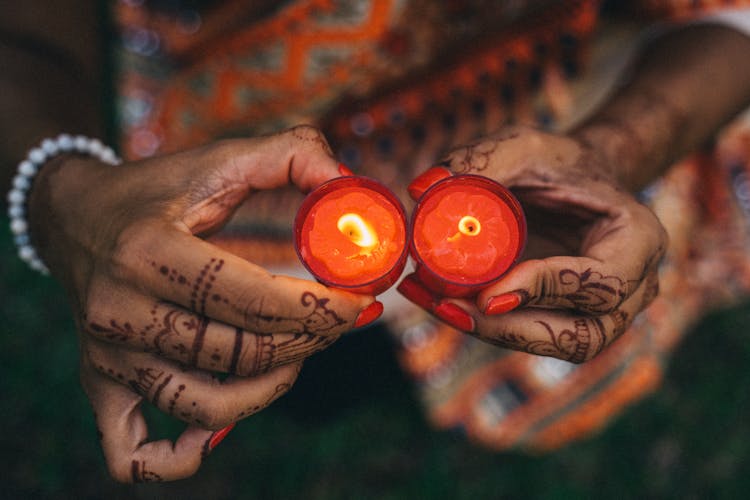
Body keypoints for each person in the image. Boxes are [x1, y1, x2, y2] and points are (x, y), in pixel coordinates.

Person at [3, 0, 750, 482]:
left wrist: (619, 149)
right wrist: (65, 197)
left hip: (558, 125)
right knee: (309, 361)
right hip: (239, 164)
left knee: (467, 324)